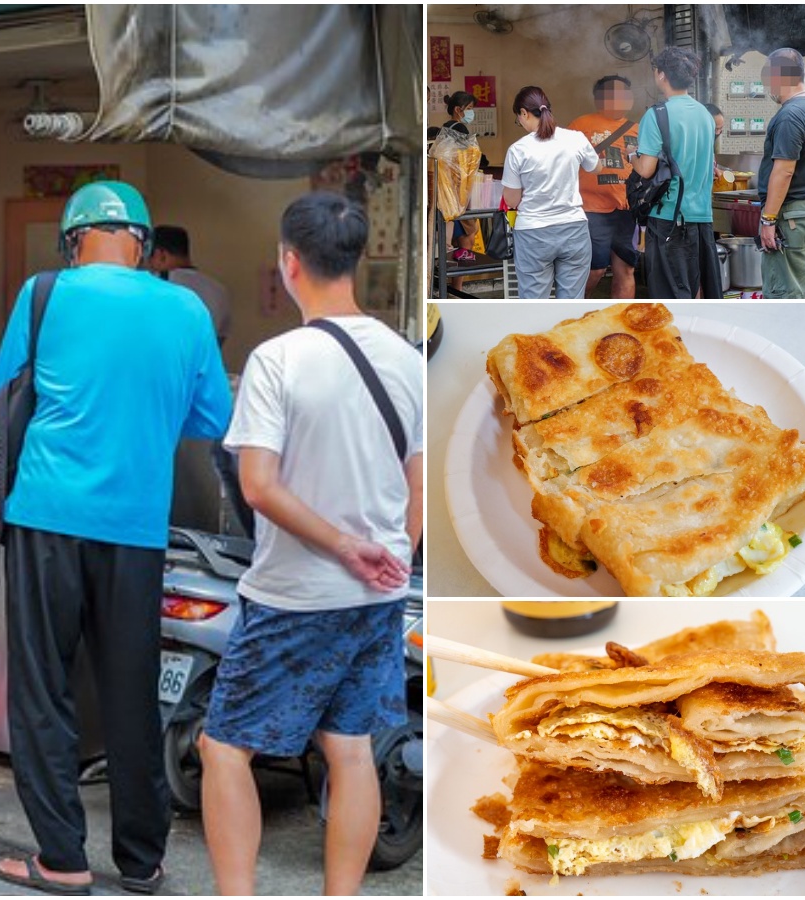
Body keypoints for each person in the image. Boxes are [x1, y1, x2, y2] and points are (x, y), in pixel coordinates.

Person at [0, 181, 231, 896]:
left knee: (43, 688)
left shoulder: (43, 294)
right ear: (145, 246)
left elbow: (6, 394)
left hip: (45, 517)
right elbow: (210, 419)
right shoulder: (185, 307)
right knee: (130, 691)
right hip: (135, 528)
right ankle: (141, 860)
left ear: (72, 239)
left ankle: (61, 857)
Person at [200, 192, 421, 896]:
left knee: (224, 745)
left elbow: (257, 485)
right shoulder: (407, 359)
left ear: (289, 262)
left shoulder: (277, 360)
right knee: (351, 751)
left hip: (295, 595)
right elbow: (418, 485)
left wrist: (345, 546)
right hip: (377, 598)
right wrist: (392, 556)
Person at [632, 47, 721, 300]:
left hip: (669, 216)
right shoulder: (705, 115)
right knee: (697, 292)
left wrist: (632, 157)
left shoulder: (657, 115)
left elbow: (647, 169)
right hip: (702, 217)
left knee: (670, 297)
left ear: (661, 75)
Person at [502, 86, 600, 298]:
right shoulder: (575, 139)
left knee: (534, 302)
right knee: (571, 304)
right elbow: (596, 167)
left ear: (524, 113)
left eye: (518, 118)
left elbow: (511, 199)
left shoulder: (518, 150)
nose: (520, 122)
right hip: (574, 229)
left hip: (533, 233)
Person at [755, 47, 805, 299]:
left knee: (786, 297)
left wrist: (768, 219)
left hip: (794, 217)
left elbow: (784, 171)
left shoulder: (790, 115)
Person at [569, 75, 642, 299]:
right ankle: (575, 311)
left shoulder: (637, 129)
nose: (621, 99)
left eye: (625, 94)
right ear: (599, 99)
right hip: (591, 210)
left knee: (626, 269)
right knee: (594, 270)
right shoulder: (580, 125)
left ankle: (620, 323)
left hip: (627, 210)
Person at [428, 91, 489, 269]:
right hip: (456, 191)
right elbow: (466, 161)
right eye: (469, 109)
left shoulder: (445, 127)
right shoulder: (459, 129)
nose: (471, 112)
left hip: (443, 190)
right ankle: (456, 287)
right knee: (468, 235)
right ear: (458, 109)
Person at [148, 225, 233, 345]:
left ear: (161, 255)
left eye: (149, 259)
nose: (149, 265)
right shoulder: (219, 290)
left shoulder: (158, 283)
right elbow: (220, 340)